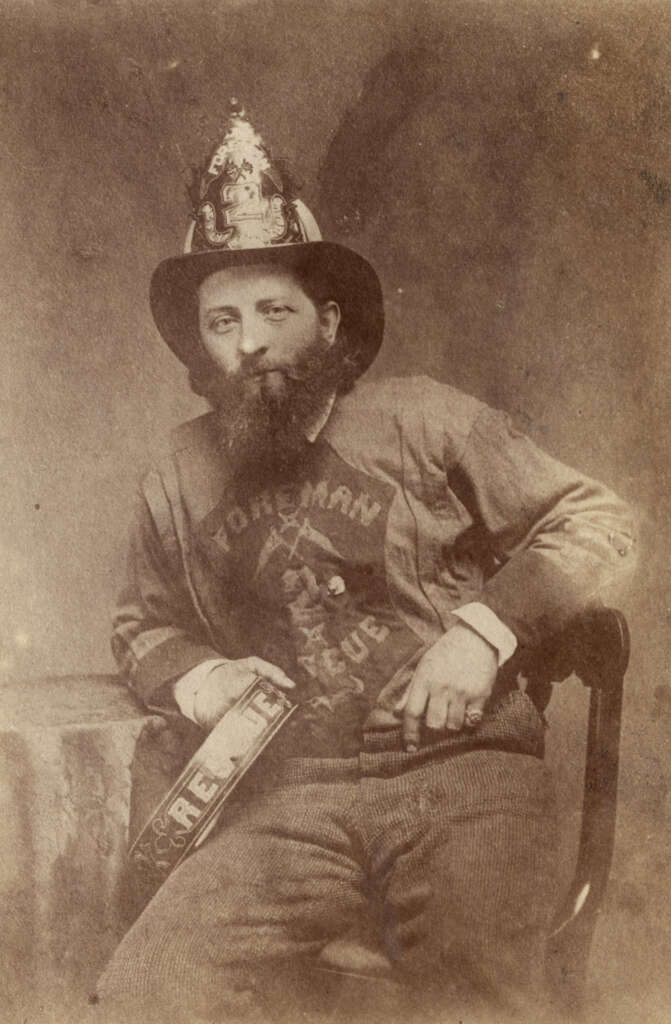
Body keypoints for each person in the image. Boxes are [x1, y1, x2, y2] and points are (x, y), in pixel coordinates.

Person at [95, 105, 636, 1024]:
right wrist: (205, 677)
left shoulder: (425, 421)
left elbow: (599, 519)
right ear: (200, 345)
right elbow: (143, 627)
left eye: (275, 310)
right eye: (222, 321)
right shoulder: (177, 474)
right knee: (145, 991)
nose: (251, 340)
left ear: (328, 321)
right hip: (290, 797)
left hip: (462, 778)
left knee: (480, 1004)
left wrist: (482, 631)